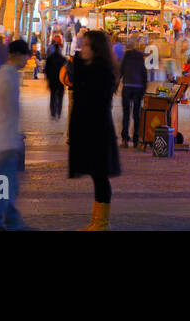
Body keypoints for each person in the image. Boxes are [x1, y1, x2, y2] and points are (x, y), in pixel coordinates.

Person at [68, 30, 121, 230]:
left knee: (100, 176)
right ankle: (96, 221)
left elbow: (89, 96)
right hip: (91, 130)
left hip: (98, 132)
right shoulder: (93, 69)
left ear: (96, 49)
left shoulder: (102, 72)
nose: (83, 49)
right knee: (97, 176)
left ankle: (101, 223)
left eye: (87, 45)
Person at [0, 39, 30, 230]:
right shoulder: (6, 76)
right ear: (18, 55)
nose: (27, 61)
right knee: (3, 186)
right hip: (5, 141)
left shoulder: (8, 74)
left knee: (9, 185)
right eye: (26, 56)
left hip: (7, 139)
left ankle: (12, 222)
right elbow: (6, 108)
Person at [119, 37, 148, 147]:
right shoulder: (140, 56)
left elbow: (121, 70)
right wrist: (144, 88)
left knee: (126, 114)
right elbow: (144, 73)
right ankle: (136, 139)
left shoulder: (125, 56)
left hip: (127, 86)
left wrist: (116, 86)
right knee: (136, 114)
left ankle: (125, 139)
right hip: (138, 87)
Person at [44, 41, 67, 120]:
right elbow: (66, 71)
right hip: (61, 82)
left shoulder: (49, 59)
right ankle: (59, 113)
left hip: (52, 81)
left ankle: (53, 113)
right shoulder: (63, 59)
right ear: (60, 50)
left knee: (53, 97)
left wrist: (47, 80)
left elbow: (46, 70)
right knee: (60, 98)